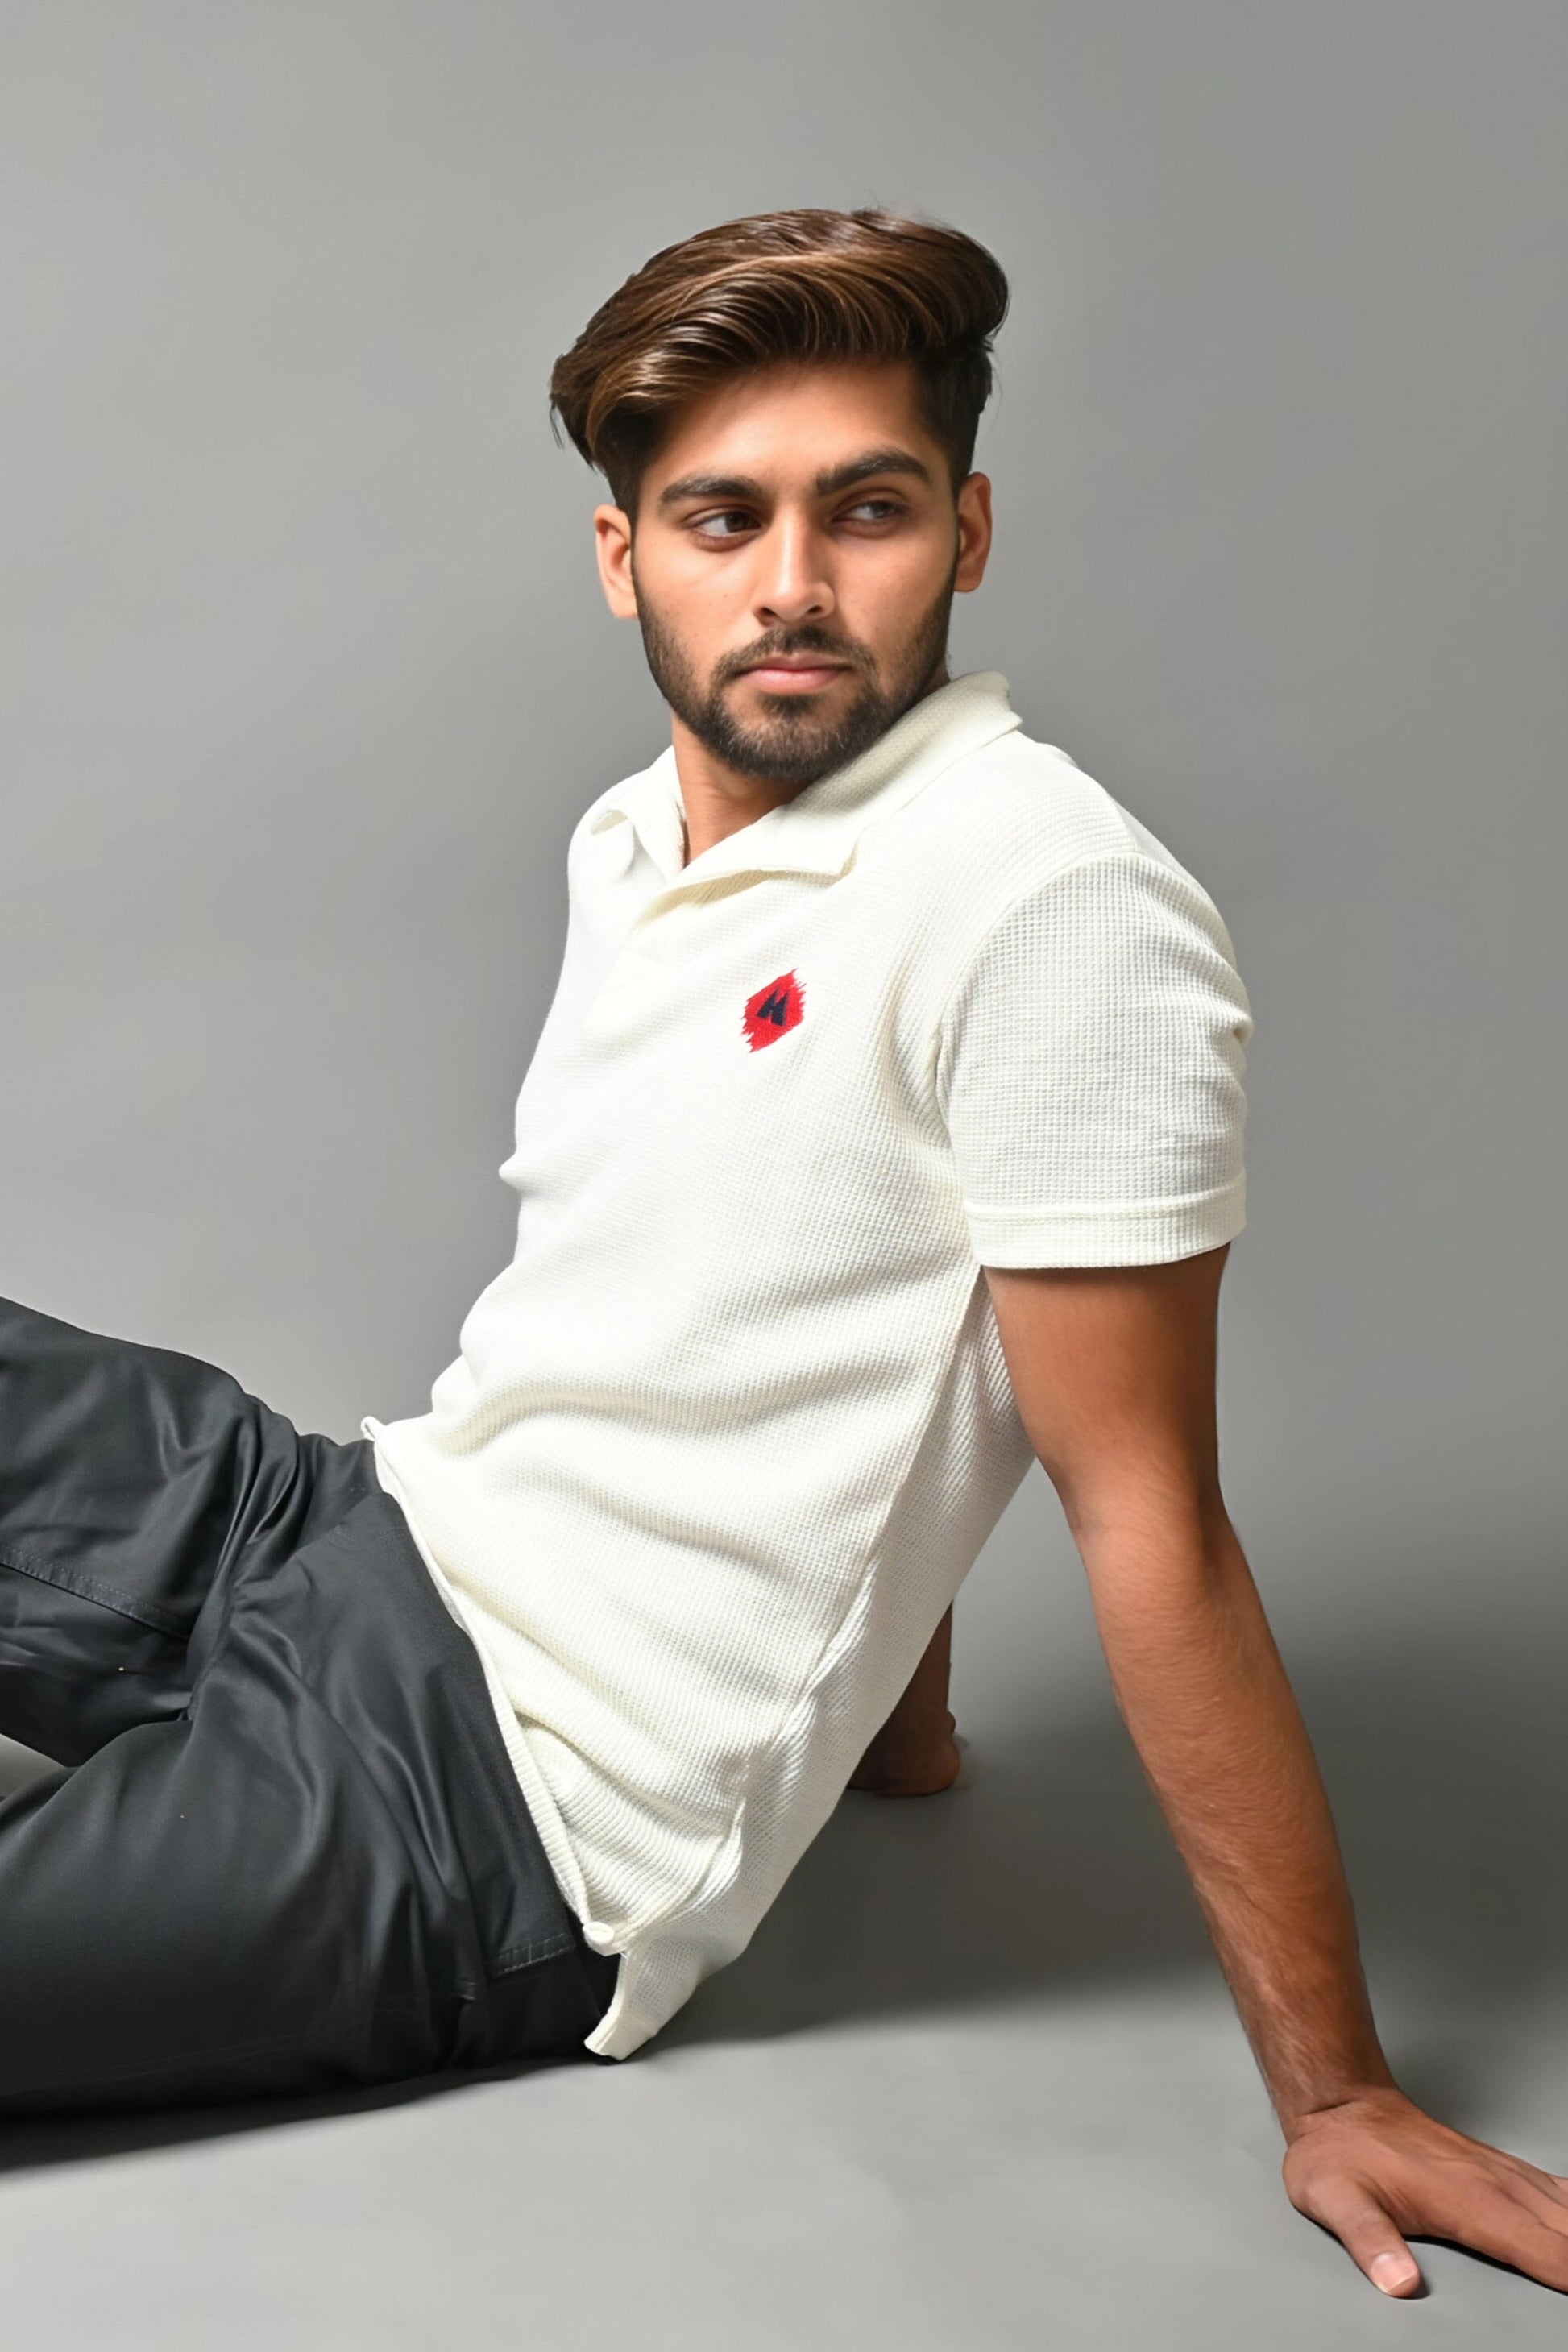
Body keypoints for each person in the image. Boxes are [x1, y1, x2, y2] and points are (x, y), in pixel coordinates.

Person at [1, 206, 1562, 2304]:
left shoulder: (1050, 908)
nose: (794, 584)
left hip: (499, 1809)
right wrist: (893, 1730)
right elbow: (852, 1299)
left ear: (966, 533)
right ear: (623, 555)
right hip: (358, 1522)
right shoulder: (636, 832)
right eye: (723, 517)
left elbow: (1144, 1510)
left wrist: (1340, 2091)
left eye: (868, 511)